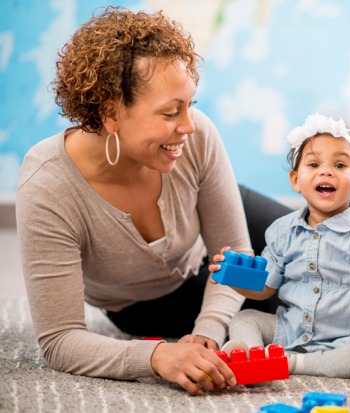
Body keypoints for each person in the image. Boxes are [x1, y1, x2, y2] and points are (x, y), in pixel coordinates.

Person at [15, 6, 290, 396]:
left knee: (326, 251)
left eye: (190, 105)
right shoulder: (48, 186)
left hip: (214, 245)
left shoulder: (196, 136)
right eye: (169, 112)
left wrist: (210, 329)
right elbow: (60, 340)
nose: (189, 126)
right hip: (149, 299)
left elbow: (234, 251)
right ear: (110, 112)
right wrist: (158, 355)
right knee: (296, 307)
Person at [211, 114, 350, 378]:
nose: (326, 171)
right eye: (313, 164)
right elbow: (265, 288)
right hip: (291, 329)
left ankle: (290, 364)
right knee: (245, 318)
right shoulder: (281, 231)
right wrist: (233, 277)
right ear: (295, 179)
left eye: (340, 165)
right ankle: (251, 359)